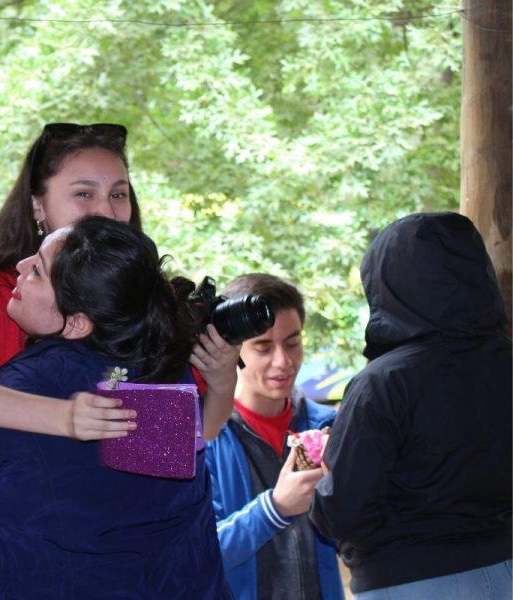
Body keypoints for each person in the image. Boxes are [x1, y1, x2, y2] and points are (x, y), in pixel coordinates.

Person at [0, 123, 238, 598]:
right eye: (85, 194)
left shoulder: (141, 338)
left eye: (119, 194)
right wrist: (65, 417)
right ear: (38, 206)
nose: (106, 210)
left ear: (79, 321)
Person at [309, 212, 512, 598]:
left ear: (387, 282)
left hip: (409, 581)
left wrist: (325, 472)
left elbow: (344, 512)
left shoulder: (383, 383)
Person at [205, 273, 345, 599]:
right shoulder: (204, 438)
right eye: (264, 347)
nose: (283, 361)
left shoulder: (329, 426)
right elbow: (197, 554)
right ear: (232, 349)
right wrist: (274, 508)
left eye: (293, 343)